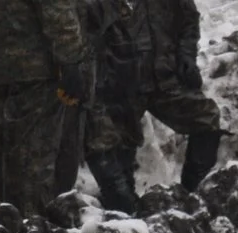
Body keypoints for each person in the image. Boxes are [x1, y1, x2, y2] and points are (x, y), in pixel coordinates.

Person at [84, 0, 223, 214]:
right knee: (112, 151)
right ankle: (125, 216)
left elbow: (189, 19)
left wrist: (186, 54)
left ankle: (193, 200)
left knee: (206, 118)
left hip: (163, 79)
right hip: (118, 89)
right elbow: (82, 37)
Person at [0, 0, 94, 208]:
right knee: (32, 165)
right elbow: (57, 8)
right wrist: (71, 60)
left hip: (0, 66)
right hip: (37, 68)